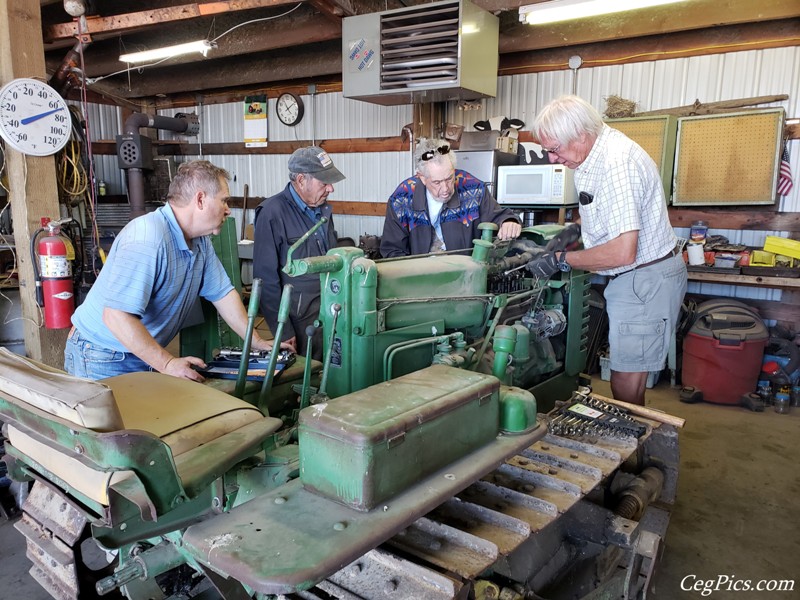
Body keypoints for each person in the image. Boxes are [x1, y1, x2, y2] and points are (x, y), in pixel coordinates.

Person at [527, 95, 687, 405]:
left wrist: (562, 260)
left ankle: (631, 448)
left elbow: (622, 252)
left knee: (626, 385)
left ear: (581, 135)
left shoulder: (617, 165)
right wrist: (574, 230)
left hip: (643, 280)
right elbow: (604, 209)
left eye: (554, 149)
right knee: (626, 379)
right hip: (637, 278)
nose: (552, 159)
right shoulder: (594, 154)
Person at [65, 160, 276, 382]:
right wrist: (166, 363)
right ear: (201, 199)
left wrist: (257, 343)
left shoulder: (200, 243)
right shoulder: (147, 237)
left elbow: (223, 294)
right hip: (103, 355)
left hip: (139, 351)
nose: (228, 210)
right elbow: (116, 316)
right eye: (224, 201)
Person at [253, 146, 345, 360]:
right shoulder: (271, 214)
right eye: (324, 182)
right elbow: (265, 278)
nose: (331, 188)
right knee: (306, 376)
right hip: (299, 319)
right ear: (302, 180)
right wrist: (282, 329)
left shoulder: (322, 209)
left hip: (331, 309)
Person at [380, 138, 522, 257]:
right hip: (419, 280)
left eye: (449, 178)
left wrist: (508, 221)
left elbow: (498, 216)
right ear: (421, 178)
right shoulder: (401, 199)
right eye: (437, 182)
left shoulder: (473, 188)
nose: (445, 189)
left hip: (465, 279)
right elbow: (392, 250)